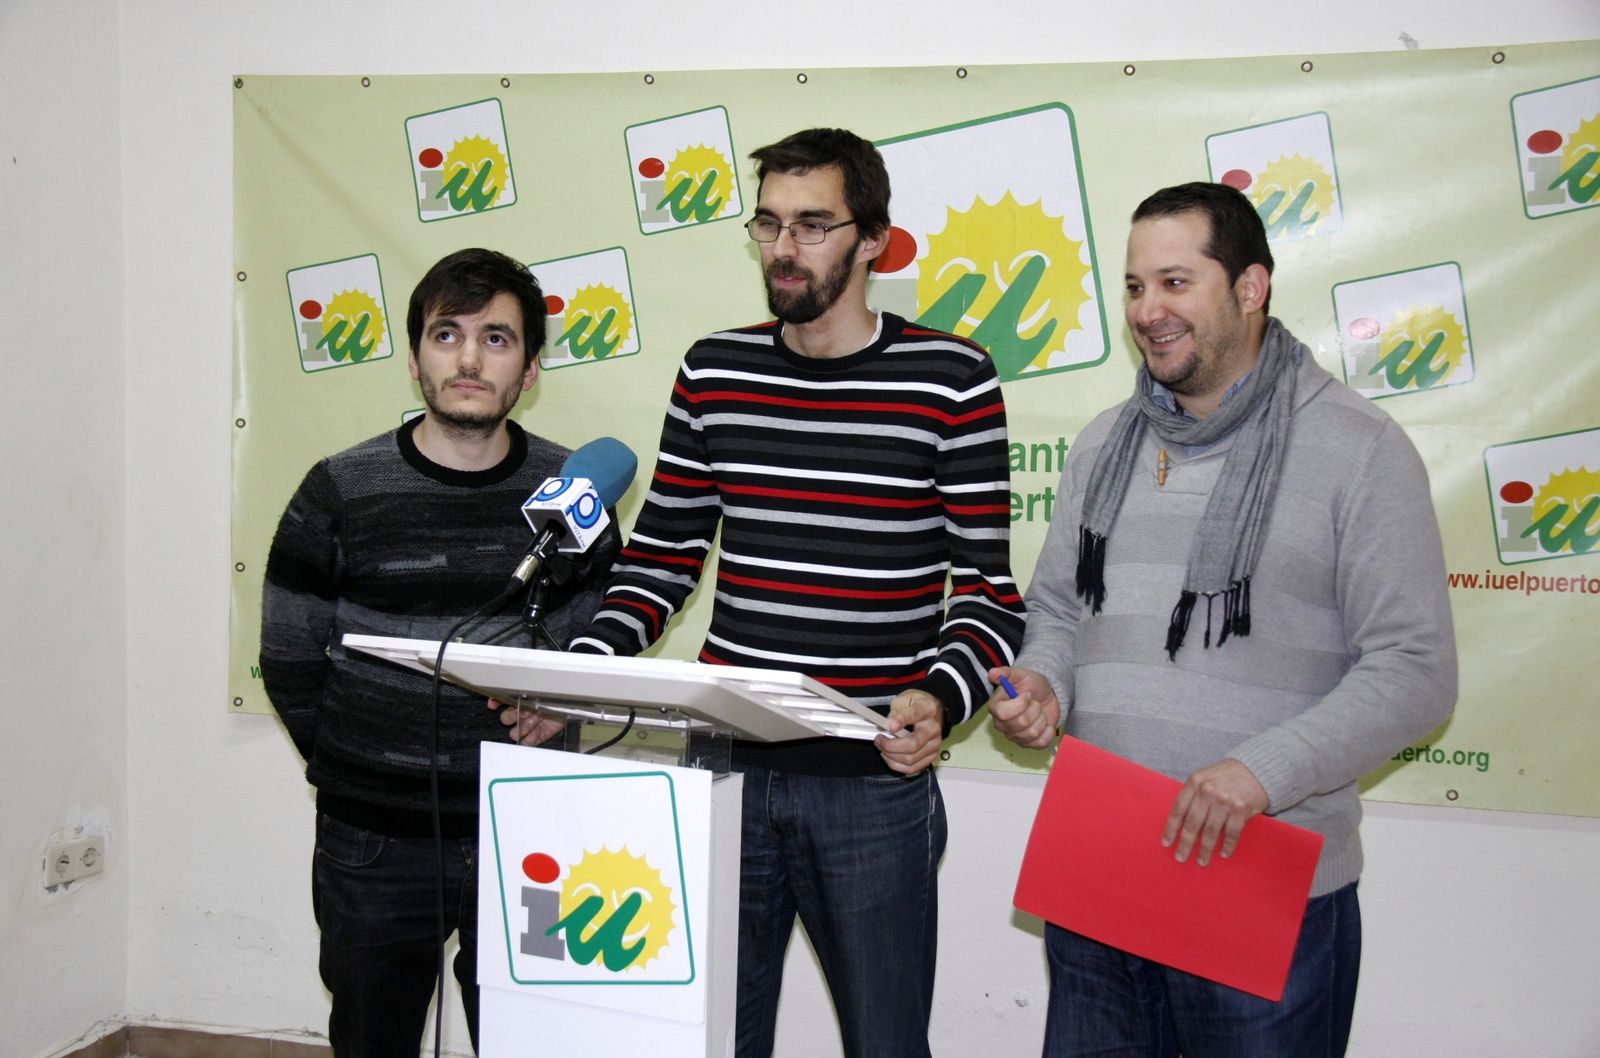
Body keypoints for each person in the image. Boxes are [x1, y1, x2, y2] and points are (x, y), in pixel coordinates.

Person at [557, 128, 1027, 1058]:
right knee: (708, 1042)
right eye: (769, 223)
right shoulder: (713, 369)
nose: (784, 247)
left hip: (871, 783)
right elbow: (662, 559)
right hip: (723, 769)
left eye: (813, 225)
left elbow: (989, 594)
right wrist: (580, 669)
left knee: (886, 1046)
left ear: (873, 240)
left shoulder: (952, 379)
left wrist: (940, 696)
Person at [988, 182, 1456, 1057]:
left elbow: (1415, 670)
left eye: (1175, 282)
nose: (1148, 311)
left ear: (1250, 287)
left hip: (1263, 895)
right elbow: (1056, 609)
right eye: (1135, 287)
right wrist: (1045, 679)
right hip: (1100, 875)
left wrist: (1262, 772)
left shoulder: (1359, 448)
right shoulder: (1102, 444)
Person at [260, 248, 608, 1056]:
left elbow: (596, 651)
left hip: (529, 832)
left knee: (531, 1044)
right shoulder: (338, 489)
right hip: (373, 841)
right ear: (415, 358)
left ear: (529, 369)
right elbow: (288, 658)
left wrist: (562, 715)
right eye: (447, 334)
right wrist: (363, 765)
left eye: (496, 338)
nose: (468, 359)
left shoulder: (573, 494)